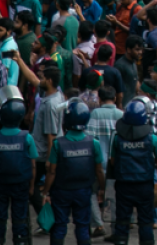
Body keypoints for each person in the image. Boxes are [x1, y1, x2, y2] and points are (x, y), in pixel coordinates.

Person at [45, 100, 105, 245]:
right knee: (83, 226)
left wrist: (46, 192)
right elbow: (99, 170)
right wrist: (102, 188)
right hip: (83, 191)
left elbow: (52, 172)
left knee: (59, 226)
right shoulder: (94, 143)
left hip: (61, 192)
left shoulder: (58, 144)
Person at [0, 97, 39, 245]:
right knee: (20, 219)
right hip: (21, 184)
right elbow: (33, 165)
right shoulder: (27, 138)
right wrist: (32, 186)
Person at [111, 99, 157, 245]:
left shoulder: (117, 139)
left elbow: (112, 162)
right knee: (145, 222)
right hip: (145, 186)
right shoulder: (152, 139)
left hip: (124, 186)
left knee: (122, 222)